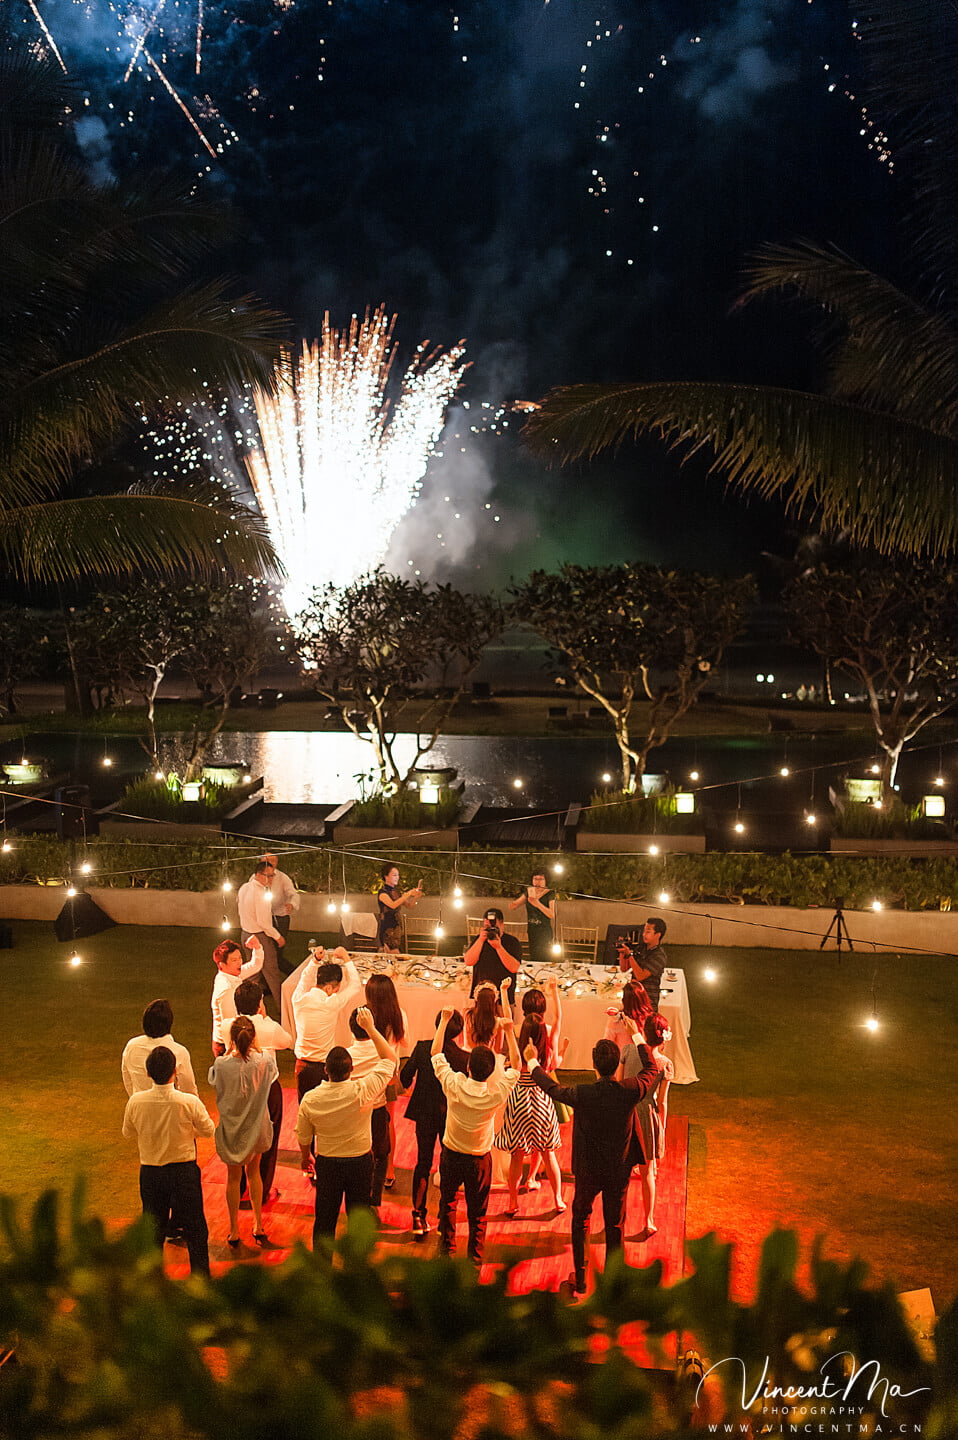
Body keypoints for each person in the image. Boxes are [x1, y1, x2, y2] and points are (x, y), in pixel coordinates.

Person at [529, 1019, 661, 1297]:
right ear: (616, 1065)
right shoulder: (629, 1090)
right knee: (615, 1225)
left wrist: (532, 1065)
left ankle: (581, 1278)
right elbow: (652, 1068)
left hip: (588, 1170)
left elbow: (552, 1089)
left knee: (581, 1221)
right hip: (618, 1169)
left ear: (594, 1065)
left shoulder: (583, 1093)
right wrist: (638, 1035)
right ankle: (615, 1284)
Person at [294, 1006, 396, 1248]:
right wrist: (370, 1028)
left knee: (325, 1221)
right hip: (360, 1162)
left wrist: (304, 1156)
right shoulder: (363, 1090)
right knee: (358, 1219)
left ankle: (321, 1272)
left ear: (326, 1070)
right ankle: (356, 1271)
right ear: (351, 1070)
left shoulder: (311, 1098)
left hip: (328, 1163)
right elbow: (390, 1059)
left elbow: (304, 1134)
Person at [431, 1007, 521, 1268]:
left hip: (451, 1155)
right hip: (479, 1160)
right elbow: (517, 1065)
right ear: (491, 1070)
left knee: (448, 1203)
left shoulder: (455, 1084)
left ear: (468, 1067)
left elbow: (436, 1053)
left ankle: (446, 1252)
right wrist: (509, 1032)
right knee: (477, 1213)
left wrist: (444, 1020)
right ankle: (474, 1262)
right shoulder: (495, 1093)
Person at [121, 1044, 214, 1276]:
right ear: (175, 1072)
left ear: (148, 1073)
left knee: (153, 1231)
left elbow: (128, 1132)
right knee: (195, 1229)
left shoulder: (136, 1101)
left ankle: (152, 1283)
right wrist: (186, 1132)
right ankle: (201, 1280)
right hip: (183, 1171)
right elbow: (208, 1130)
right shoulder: (188, 1102)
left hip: (152, 1172)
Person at [208, 1015, 278, 1249]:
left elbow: (215, 1082)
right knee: (255, 1172)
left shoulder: (222, 1064)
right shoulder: (265, 1060)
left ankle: (234, 1228)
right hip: (256, 1126)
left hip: (233, 1127)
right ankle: (258, 1223)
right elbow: (271, 1077)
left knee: (233, 1177)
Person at [399, 1009, 469, 1239]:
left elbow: (405, 1076)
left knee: (423, 1163)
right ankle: (444, 1215)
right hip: (450, 1117)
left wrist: (409, 1088)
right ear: (459, 1032)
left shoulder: (421, 1048)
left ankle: (418, 1216)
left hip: (424, 1114)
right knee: (449, 1164)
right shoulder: (463, 1058)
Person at [494, 1013, 564, 1216]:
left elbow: (514, 1065)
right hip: (542, 1101)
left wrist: (508, 1032)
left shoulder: (519, 1052)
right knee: (548, 1153)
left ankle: (513, 1202)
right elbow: (552, 1067)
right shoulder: (547, 1053)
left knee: (517, 1156)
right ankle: (558, 1198)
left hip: (519, 1103)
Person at [233, 978, 292, 1204]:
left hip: (240, 1087)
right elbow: (287, 1041)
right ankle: (263, 1189)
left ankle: (238, 1187)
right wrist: (265, 1018)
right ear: (260, 1003)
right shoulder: (268, 1026)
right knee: (269, 1139)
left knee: (240, 1134)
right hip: (267, 1088)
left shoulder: (230, 1025)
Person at [619, 1012, 674, 1242]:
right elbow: (661, 1101)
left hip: (625, 1111)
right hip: (646, 1115)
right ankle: (648, 1220)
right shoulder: (664, 1064)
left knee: (620, 1171)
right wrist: (662, 1126)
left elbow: (620, 1081)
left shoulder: (629, 1051)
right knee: (647, 1172)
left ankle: (615, 1220)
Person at [291, 944, 363, 1102]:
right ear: (330, 987)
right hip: (324, 1067)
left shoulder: (298, 999)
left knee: (304, 1107)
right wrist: (346, 958)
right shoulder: (331, 1004)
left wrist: (315, 960)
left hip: (301, 1066)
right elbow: (356, 985)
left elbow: (304, 979)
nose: (337, 991)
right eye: (337, 988)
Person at [364, 972, 409, 1191]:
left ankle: (370, 1165)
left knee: (366, 1120)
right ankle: (389, 1169)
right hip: (389, 1074)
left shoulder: (366, 1016)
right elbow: (404, 1042)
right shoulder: (399, 1014)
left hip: (369, 1072)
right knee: (388, 1122)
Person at [122, 998, 198, 1096]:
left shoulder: (131, 1046)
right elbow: (189, 1090)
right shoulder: (179, 1052)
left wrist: (137, 1100)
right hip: (171, 1107)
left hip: (141, 1106)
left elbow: (128, 1081)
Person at [237, 859, 285, 1005]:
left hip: (245, 934)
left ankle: (249, 1006)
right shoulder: (261, 894)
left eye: (273, 876)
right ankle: (282, 1009)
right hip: (259, 937)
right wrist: (278, 937)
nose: (271, 879)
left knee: (252, 974)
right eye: (268, 876)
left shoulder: (244, 887)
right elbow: (264, 923)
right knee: (272, 973)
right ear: (258, 875)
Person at [210, 939, 264, 1057]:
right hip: (225, 1045)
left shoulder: (232, 973)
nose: (239, 962)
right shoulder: (226, 989)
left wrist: (257, 947)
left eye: (240, 958)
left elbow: (255, 965)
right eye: (234, 960)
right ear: (222, 965)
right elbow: (229, 1024)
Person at [463, 908, 521, 1002]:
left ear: (502, 925)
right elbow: (468, 961)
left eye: (494, 927)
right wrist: (481, 940)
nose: (491, 930)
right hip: (481, 996)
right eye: (487, 927)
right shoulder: (479, 940)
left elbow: (514, 968)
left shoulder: (512, 941)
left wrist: (498, 947)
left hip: (504, 998)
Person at [617, 918, 668, 1010]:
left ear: (658, 935)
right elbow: (624, 968)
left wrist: (629, 955)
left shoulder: (659, 956)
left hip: (647, 1001)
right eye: (644, 931)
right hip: (633, 997)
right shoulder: (641, 949)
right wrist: (622, 951)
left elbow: (640, 975)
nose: (644, 934)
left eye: (648, 932)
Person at [508, 871, 556, 964]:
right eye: (535, 879)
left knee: (545, 956)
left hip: (544, 931)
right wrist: (515, 903)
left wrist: (537, 903)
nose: (538, 882)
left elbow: (552, 914)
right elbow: (514, 905)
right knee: (534, 956)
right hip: (532, 929)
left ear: (546, 881)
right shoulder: (529, 892)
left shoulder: (550, 893)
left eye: (541, 879)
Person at [376, 864, 422, 952]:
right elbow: (393, 905)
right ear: (386, 876)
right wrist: (407, 894)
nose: (397, 877)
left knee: (396, 953)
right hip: (387, 927)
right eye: (394, 875)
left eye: (398, 875)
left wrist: (416, 897)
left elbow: (409, 906)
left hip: (397, 926)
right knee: (393, 953)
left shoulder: (397, 891)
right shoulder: (382, 892)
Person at [463, 981, 503, 1052]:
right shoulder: (498, 1021)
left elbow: (468, 1042)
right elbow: (498, 1049)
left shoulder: (468, 1015)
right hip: (488, 1057)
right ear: (494, 1001)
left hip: (468, 1055)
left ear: (477, 999)